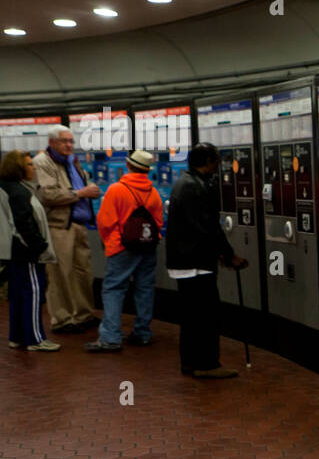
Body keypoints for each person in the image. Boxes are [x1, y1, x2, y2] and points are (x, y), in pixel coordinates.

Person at [165, 142, 248, 378]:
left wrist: (222, 254)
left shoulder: (184, 183)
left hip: (184, 262)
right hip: (196, 264)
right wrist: (229, 255)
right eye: (216, 162)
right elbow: (209, 228)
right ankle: (207, 364)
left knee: (191, 317)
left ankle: (190, 363)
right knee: (207, 316)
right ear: (208, 162)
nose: (217, 168)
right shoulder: (197, 187)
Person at [86, 150, 163, 352]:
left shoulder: (116, 189)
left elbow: (105, 221)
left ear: (128, 165)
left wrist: (110, 242)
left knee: (113, 289)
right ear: (146, 170)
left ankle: (110, 337)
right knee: (144, 289)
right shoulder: (153, 192)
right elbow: (158, 222)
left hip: (122, 247)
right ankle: (142, 333)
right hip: (147, 247)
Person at [33, 124, 100, 333]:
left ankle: (83, 314)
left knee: (83, 272)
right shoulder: (42, 162)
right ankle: (62, 319)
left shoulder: (72, 161)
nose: (70, 145)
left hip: (79, 225)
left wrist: (90, 191)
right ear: (52, 142)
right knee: (60, 274)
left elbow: (81, 186)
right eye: (65, 141)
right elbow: (48, 195)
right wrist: (81, 194)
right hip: (58, 226)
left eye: (71, 141)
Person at [0, 151, 60, 351]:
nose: (34, 168)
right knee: (33, 294)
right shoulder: (19, 192)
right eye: (29, 165)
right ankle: (36, 339)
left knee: (18, 295)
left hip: (13, 251)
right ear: (18, 168)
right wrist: (41, 247)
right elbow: (24, 225)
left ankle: (18, 337)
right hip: (27, 252)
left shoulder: (4, 187)